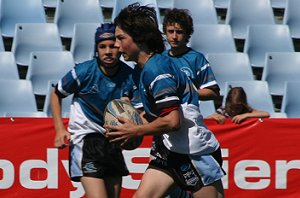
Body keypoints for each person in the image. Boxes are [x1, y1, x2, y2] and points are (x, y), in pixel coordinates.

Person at [105, 3, 225, 198]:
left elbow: (173, 121)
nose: (116, 45)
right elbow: (150, 115)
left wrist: (136, 130)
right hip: (168, 148)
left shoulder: (157, 71)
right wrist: (125, 127)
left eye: (120, 38)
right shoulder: (140, 70)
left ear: (139, 38)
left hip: (193, 151)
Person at [51, 23, 137, 198]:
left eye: (112, 46)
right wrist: (59, 129)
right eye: (102, 46)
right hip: (86, 141)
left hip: (113, 141)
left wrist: (130, 111)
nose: (108, 51)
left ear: (120, 47)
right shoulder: (83, 72)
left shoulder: (130, 76)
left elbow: (139, 111)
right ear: (96, 49)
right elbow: (56, 94)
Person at [162, 8, 220, 101]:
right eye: (170, 31)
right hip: (165, 112)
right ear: (165, 32)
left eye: (179, 32)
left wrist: (186, 93)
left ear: (187, 34)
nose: (174, 36)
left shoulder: (196, 58)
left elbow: (213, 92)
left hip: (188, 113)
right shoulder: (160, 59)